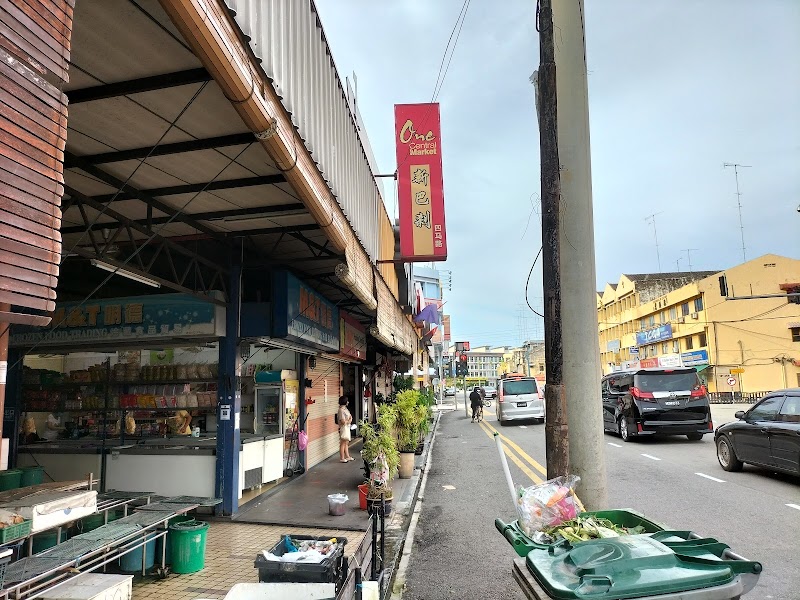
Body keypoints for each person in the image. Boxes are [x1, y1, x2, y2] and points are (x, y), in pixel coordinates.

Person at [337, 396, 354, 462]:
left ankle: (347, 456)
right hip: (343, 427)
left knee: (346, 442)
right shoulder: (341, 410)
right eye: (347, 401)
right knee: (343, 442)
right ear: (345, 402)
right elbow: (343, 421)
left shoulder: (345, 409)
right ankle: (342, 458)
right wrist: (349, 420)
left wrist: (349, 420)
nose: (348, 402)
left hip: (347, 427)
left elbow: (350, 417)